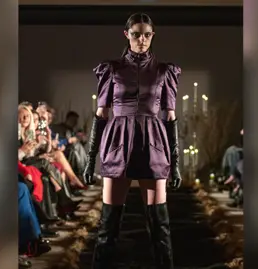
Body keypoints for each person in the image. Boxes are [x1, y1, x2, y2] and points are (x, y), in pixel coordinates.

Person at [83, 13, 182, 269]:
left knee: (160, 227)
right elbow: (101, 114)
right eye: (136, 34)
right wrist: (90, 160)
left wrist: (176, 163)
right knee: (108, 227)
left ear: (152, 36)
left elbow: (171, 118)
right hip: (118, 143)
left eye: (147, 34)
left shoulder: (164, 71)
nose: (142, 39)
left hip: (153, 145)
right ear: (126, 34)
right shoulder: (111, 69)